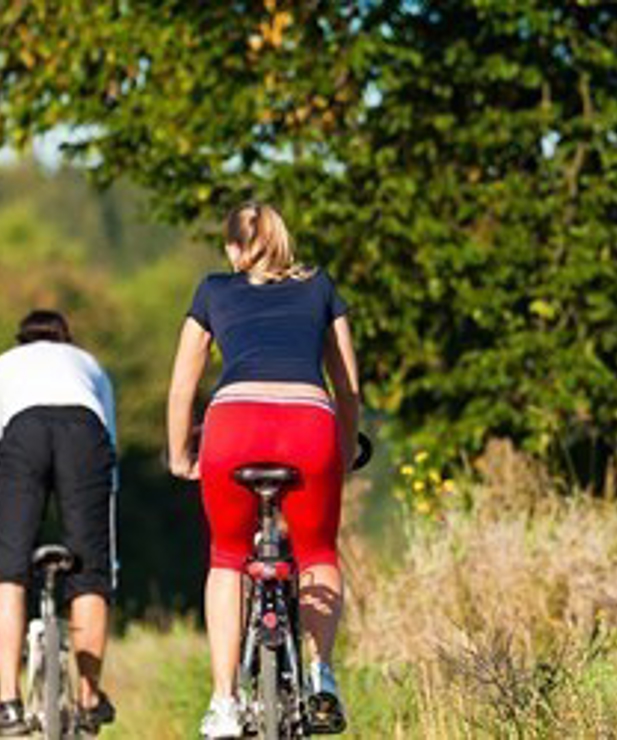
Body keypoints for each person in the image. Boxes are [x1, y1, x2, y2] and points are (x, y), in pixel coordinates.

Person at [167, 202, 361, 738]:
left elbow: (183, 384)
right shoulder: (322, 287)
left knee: (228, 557)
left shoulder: (212, 290)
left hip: (233, 425)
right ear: (283, 239)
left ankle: (225, 704)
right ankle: (321, 677)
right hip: (308, 425)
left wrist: (180, 454)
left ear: (233, 247)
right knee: (318, 549)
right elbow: (347, 385)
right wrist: (341, 452)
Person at [0, 310, 118, 737]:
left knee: (8, 571)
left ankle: (9, 702)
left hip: (24, 431)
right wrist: (109, 558)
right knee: (89, 576)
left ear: (22, 340)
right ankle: (89, 700)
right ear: (65, 339)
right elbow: (111, 464)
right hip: (83, 430)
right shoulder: (90, 366)